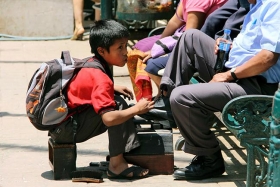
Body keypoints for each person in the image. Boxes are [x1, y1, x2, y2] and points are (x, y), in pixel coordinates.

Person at [150, 0, 280, 180]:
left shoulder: (275, 5)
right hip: (236, 69)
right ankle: (167, 103)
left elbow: (268, 57)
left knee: (182, 97)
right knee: (191, 37)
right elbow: (251, 46)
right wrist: (228, 44)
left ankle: (209, 160)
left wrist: (229, 75)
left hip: (254, 85)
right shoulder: (256, 4)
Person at [49, 20, 155, 179]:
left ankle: (120, 155)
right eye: (120, 47)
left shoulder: (91, 63)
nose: (125, 52)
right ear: (102, 51)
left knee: (116, 98)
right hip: (67, 130)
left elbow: (84, 89)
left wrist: (113, 87)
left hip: (62, 124)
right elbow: (109, 119)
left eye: (126, 46)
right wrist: (137, 109)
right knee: (118, 106)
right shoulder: (101, 78)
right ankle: (117, 165)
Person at [138, 0, 228, 97]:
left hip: (198, 47)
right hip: (181, 36)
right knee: (140, 48)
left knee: (152, 65)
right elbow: (174, 22)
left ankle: (168, 100)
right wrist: (158, 46)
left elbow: (188, 37)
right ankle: (159, 95)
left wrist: (159, 50)